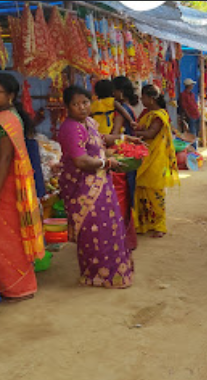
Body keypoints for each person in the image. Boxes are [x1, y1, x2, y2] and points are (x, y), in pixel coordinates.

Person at [58, 85, 135, 289]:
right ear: (67, 107)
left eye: (85, 102)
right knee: (93, 231)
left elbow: (101, 139)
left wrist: (124, 138)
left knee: (108, 228)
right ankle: (96, 275)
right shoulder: (70, 128)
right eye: (75, 104)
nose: (82, 107)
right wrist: (107, 163)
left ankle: (112, 272)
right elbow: (81, 161)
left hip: (101, 183)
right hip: (82, 188)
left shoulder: (89, 122)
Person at [0, 73, 45, 301]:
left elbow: (5, 158)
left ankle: (16, 287)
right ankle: (20, 285)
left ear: (10, 95)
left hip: (5, 184)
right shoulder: (11, 115)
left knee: (7, 236)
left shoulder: (5, 119)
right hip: (13, 182)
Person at [133, 85, 179, 238]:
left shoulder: (159, 115)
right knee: (141, 191)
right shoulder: (147, 113)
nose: (141, 100)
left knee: (155, 192)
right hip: (145, 157)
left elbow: (151, 133)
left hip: (156, 159)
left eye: (143, 97)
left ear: (151, 99)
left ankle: (160, 225)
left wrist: (133, 133)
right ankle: (145, 225)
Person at [111, 76, 140, 251]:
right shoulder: (129, 109)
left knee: (121, 197)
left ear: (119, 92)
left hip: (122, 158)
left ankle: (121, 237)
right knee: (128, 194)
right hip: (130, 156)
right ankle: (128, 236)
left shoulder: (120, 113)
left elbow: (115, 135)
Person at [180, 78, 201, 149]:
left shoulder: (192, 94)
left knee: (196, 132)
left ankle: (195, 147)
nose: (192, 86)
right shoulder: (183, 95)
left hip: (196, 114)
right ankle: (194, 148)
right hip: (191, 116)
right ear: (189, 85)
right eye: (191, 85)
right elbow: (184, 106)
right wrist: (188, 116)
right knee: (193, 133)